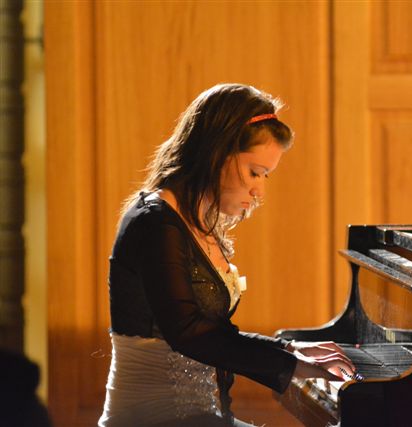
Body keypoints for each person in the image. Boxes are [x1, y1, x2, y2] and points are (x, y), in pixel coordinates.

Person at [98, 83, 356, 427]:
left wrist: (290, 351)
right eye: (254, 172)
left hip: (203, 418)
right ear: (215, 154)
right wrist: (291, 366)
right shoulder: (154, 223)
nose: (259, 190)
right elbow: (189, 333)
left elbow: (213, 330)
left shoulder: (191, 222)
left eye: (265, 176)